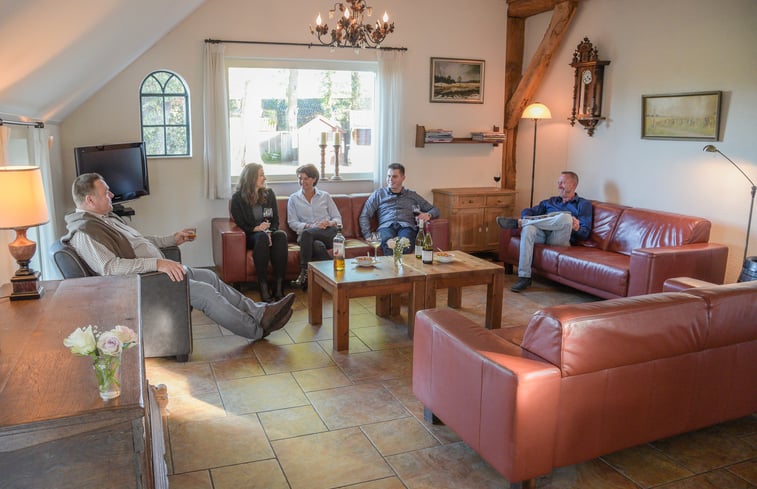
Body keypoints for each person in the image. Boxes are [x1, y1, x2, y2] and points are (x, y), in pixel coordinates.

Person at [63, 173, 294, 341]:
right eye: (106, 192)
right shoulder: (85, 232)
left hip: (158, 274)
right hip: (143, 284)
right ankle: (256, 330)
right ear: (89, 200)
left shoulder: (106, 219)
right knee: (205, 292)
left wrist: (173, 239)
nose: (112, 195)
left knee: (209, 277)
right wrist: (158, 263)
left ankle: (260, 312)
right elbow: (110, 268)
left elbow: (140, 241)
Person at [497, 170, 592, 292]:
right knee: (528, 229)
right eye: (558, 183)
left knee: (566, 218)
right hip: (542, 235)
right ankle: (524, 277)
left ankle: (521, 223)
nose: (559, 186)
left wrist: (577, 227)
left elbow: (585, 234)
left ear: (573, 185)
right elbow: (528, 211)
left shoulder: (583, 205)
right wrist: (531, 218)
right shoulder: (551, 201)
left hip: (559, 239)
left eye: (562, 183)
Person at [230, 163, 288, 302]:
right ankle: (263, 286)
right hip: (251, 236)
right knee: (261, 237)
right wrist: (258, 229)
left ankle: (278, 286)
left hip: (266, 233)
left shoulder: (269, 194)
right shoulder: (237, 198)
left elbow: (275, 220)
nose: (265, 178)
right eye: (261, 175)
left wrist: (269, 232)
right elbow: (241, 223)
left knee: (281, 235)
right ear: (251, 178)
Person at [359, 163, 440, 255]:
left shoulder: (412, 195)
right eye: (388, 176)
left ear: (403, 178)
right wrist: (367, 235)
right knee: (388, 243)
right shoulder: (378, 194)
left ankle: (400, 263)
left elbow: (435, 210)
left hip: (406, 227)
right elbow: (364, 215)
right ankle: (393, 264)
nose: (390, 179)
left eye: (394, 176)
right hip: (386, 227)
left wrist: (428, 215)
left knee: (405, 243)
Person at [287, 164, 342, 290]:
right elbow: (292, 222)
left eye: (305, 178)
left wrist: (328, 223)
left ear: (314, 179)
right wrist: (310, 226)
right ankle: (334, 277)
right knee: (316, 245)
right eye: (300, 178)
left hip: (327, 232)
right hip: (307, 235)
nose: (302, 181)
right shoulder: (293, 199)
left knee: (307, 234)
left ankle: (303, 273)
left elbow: (338, 219)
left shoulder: (325, 196)